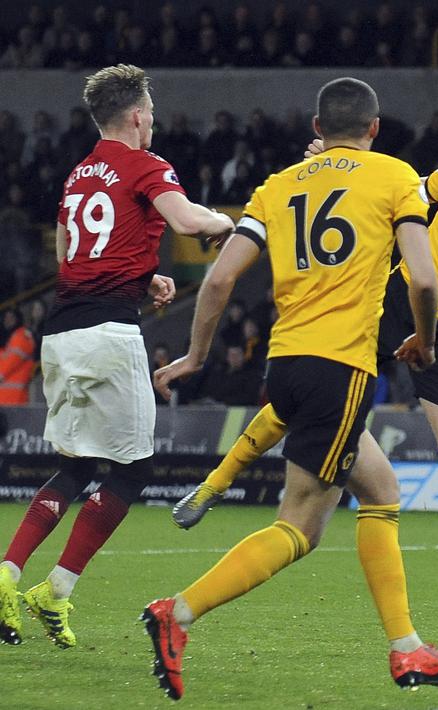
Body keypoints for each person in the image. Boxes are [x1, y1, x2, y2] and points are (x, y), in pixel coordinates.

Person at [144, 77, 438, 699]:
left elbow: (217, 283)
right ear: (374, 128)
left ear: (316, 128)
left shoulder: (277, 186)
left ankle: (407, 649)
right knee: (300, 526)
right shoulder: (395, 177)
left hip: (286, 364)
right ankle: (178, 613)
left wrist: (194, 355)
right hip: (341, 366)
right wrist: (428, 343)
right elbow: (425, 282)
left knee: (381, 490)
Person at [170, 129, 438, 634]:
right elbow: (392, 194)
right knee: (317, 400)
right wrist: (333, 169)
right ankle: (213, 486)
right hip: (396, 303)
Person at [0, 64, 232, 648]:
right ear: (135, 114)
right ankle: (55, 591)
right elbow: (187, 222)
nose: (152, 119)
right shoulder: (146, 165)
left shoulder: (79, 174)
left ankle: (8, 576)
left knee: (77, 463)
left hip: (62, 331)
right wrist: (230, 222)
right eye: (149, 111)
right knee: (134, 472)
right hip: (107, 334)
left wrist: (139, 275)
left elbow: (67, 253)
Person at [0, 308, 36, 405]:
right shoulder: (9, 340)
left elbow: (11, 362)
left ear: (18, 319)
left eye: (11, 317)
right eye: (6, 317)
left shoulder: (22, 336)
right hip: (6, 398)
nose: (8, 320)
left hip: (15, 398)